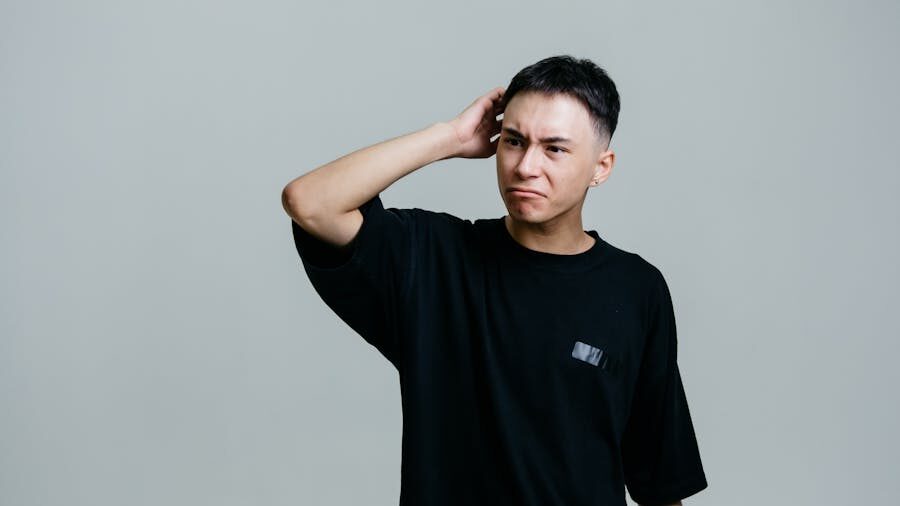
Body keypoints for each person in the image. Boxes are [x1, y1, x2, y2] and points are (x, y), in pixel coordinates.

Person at [281, 55, 708, 506]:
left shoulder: (637, 290)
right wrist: (448, 138)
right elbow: (309, 202)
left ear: (601, 167)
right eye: (514, 141)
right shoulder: (434, 259)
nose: (526, 166)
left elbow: (660, 481)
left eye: (555, 149)